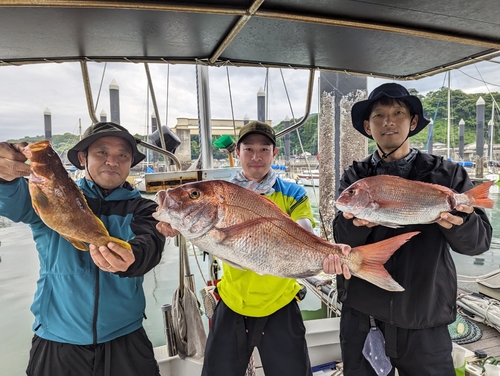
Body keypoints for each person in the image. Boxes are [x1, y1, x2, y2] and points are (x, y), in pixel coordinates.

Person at [157, 120, 350, 375]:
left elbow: (305, 233)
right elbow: (200, 231)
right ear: (237, 152)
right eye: (248, 149)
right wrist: (172, 228)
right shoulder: (223, 192)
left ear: (274, 153)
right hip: (233, 300)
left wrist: (328, 255)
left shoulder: (293, 193)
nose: (256, 156)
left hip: (281, 302)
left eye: (264, 149)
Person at [333, 83, 493, 376]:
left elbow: (478, 243)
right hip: (363, 316)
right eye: (379, 115)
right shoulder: (356, 178)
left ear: (413, 122)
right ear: (368, 126)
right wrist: (354, 224)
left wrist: (460, 222)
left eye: (398, 113)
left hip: (425, 315)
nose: (388, 121)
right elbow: (342, 239)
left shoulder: (447, 174)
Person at [0, 122, 166, 376]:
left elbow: (150, 246)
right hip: (57, 340)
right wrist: (5, 177)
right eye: (101, 152)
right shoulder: (48, 194)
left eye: (122, 154)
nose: (112, 161)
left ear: (130, 162)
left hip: (126, 337)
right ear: (82, 158)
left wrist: (130, 261)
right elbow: (12, 201)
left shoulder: (143, 209)